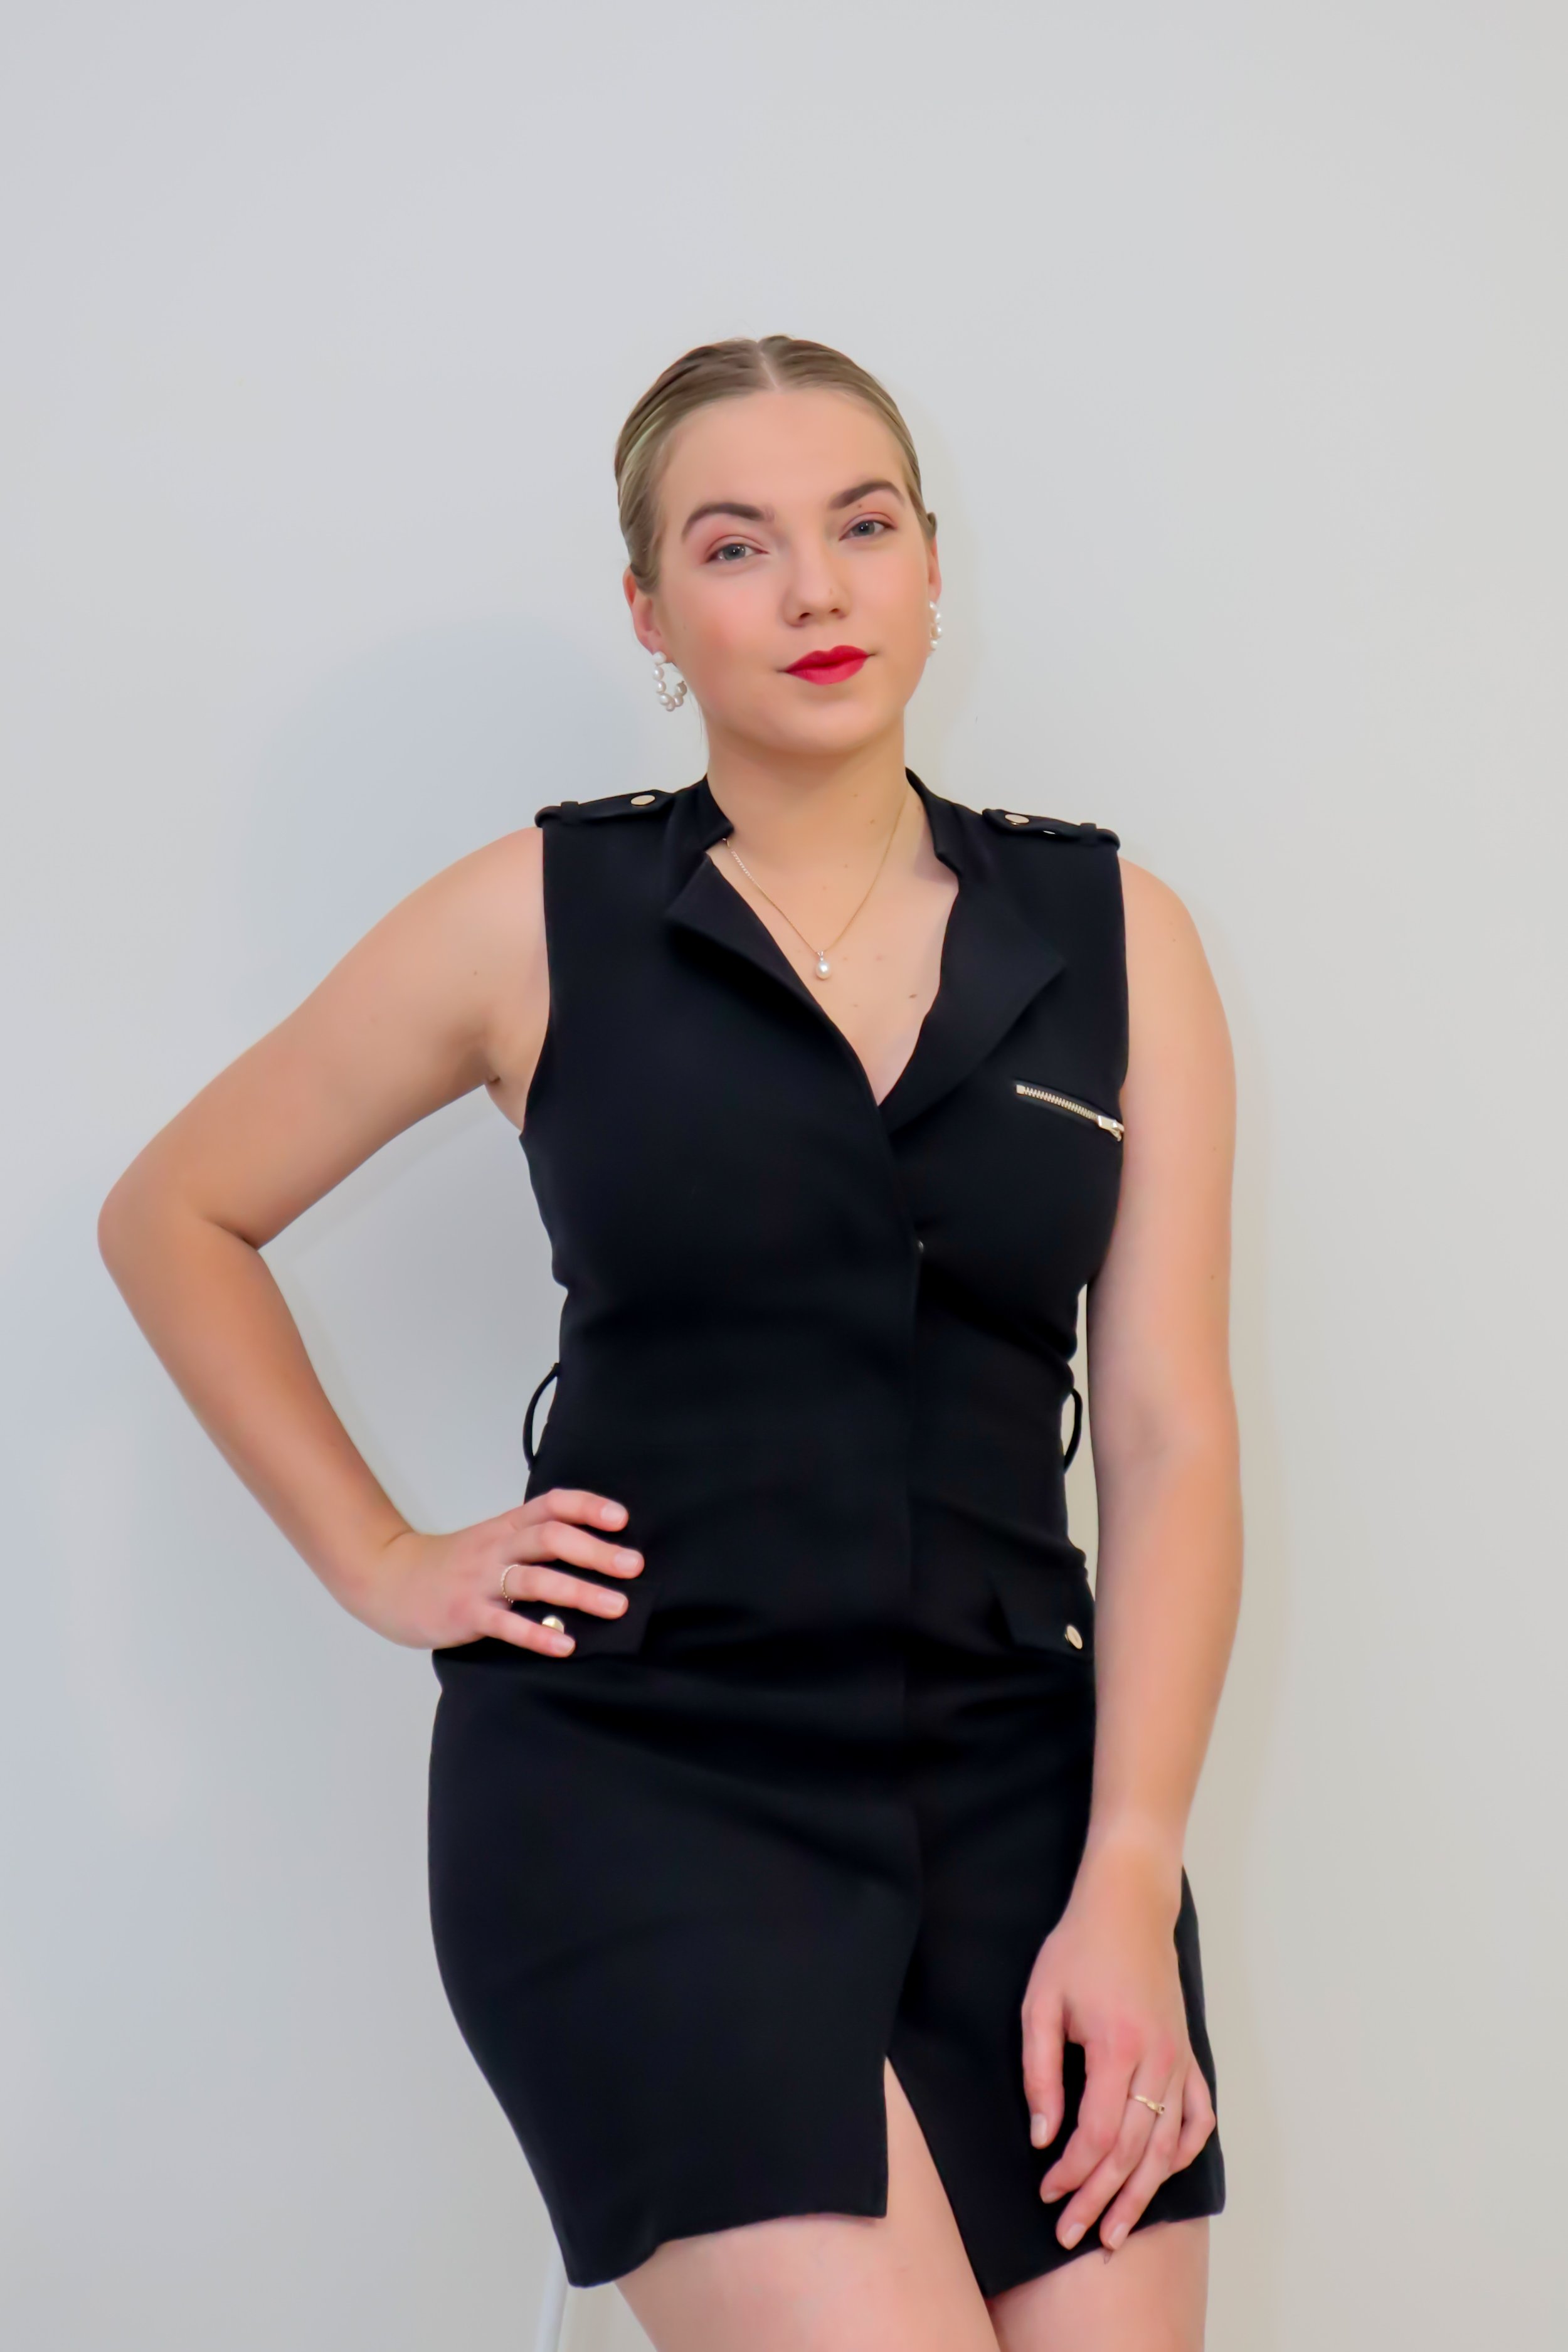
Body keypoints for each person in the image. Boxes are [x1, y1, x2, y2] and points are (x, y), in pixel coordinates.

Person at [98, 334, 1241, 2352]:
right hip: (642, 1782)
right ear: (649, 612)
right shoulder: (534, 915)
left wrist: (1126, 1875)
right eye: (737, 545)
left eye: (860, 526)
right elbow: (174, 1212)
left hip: (1022, 1795)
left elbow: (1161, 1433)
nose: (813, 591)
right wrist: (385, 1559)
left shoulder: (1116, 934)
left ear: (928, 565)